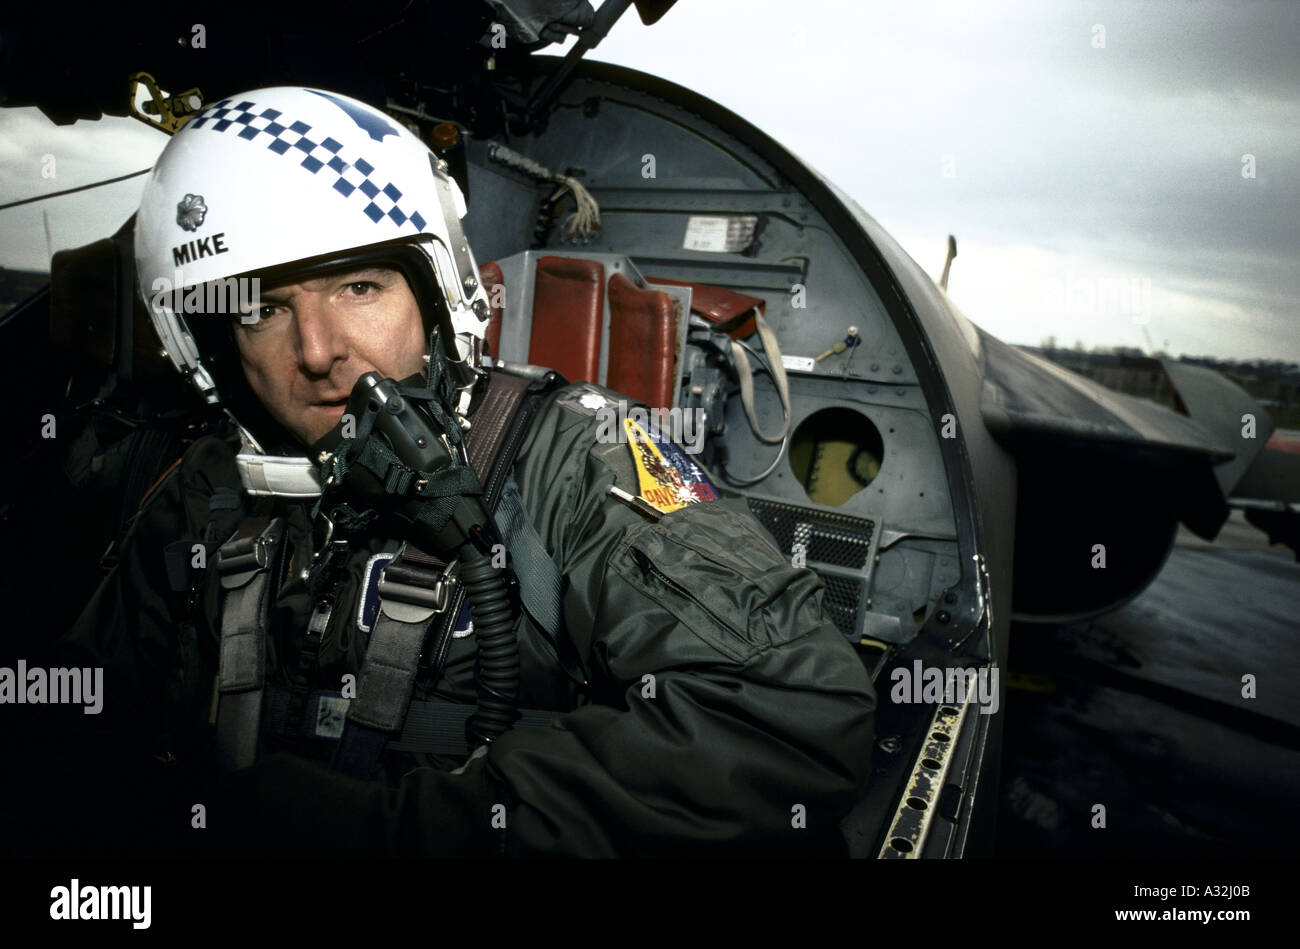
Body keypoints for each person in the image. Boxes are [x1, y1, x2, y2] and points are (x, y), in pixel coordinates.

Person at [41, 86, 877, 857]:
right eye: (261, 308)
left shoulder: (573, 458)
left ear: (441, 300)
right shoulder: (208, 487)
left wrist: (402, 832)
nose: (320, 350)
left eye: (360, 287)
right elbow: (76, 724)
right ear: (212, 347)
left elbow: (787, 713)